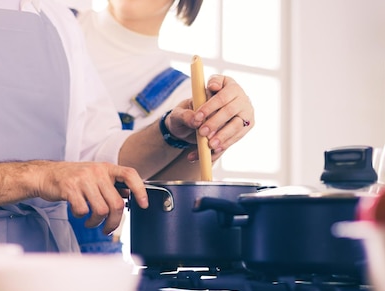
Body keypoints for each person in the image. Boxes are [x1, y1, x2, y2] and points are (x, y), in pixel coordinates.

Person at [0, 0, 254, 253]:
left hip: (50, 281)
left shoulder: (55, 20)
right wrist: (34, 176)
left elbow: (96, 153)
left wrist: (174, 130)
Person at [70, 0, 254, 252]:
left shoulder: (183, 94)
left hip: (88, 256)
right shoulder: (54, 22)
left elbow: (165, 205)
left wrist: (214, 134)